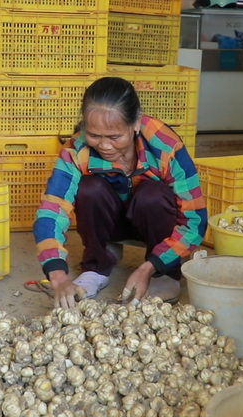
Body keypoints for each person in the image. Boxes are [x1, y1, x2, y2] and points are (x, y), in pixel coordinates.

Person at [34, 77, 207, 308]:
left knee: (152, 195)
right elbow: (52, 211)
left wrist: (150, 268)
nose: (105, 146)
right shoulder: (76, 150)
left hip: (155, 222)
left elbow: (195, 221)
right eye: (94, 135)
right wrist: (57, 275)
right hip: (112, 221)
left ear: (136, 123)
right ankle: (97, 265)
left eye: (115, 137)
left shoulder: (165, 145)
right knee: (89, 188)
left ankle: (165, 273)